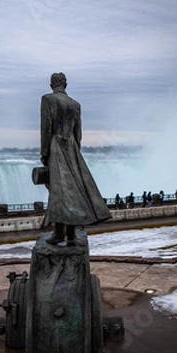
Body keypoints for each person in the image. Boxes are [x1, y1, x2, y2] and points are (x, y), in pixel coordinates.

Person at [39, 72, 111, 245]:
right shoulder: (75, 105)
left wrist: (44, 153)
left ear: (51, 85)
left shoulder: (48, 99)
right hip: (71, 148)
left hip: (56, 146)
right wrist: (75, 152)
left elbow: (46, 128)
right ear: (66, 85)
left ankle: (58, 233)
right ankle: (70, 234)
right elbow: (78, 133)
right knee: (73, 191)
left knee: (59, 192)